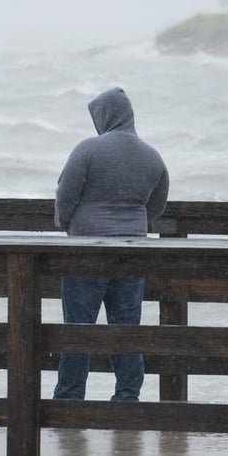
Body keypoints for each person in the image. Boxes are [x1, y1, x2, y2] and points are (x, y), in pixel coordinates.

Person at [53, 87, 169, 402]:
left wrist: (67, 225)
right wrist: (134, 223)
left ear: (104, 117)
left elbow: (65, 196)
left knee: (78, 329)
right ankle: (128, 396)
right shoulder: (152, 156)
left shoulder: (88, 149)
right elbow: (156, 207)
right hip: (133, 252)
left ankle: (69, 397)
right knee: (126, 328)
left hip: (86, 252)